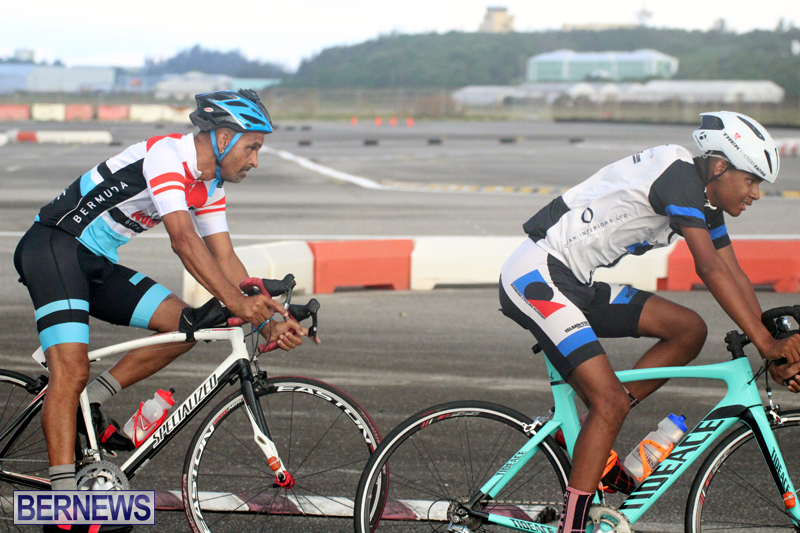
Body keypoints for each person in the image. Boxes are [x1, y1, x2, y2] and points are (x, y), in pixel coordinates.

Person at [14, 89, 312, 532]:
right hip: (53, 249)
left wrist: (270, 318)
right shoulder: (166, 157)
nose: (254, 160)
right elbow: (183, 240)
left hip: (96, 263)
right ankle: (63, 509)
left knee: (188, 325)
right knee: (70, 370)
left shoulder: (208, 185)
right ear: (224, 137)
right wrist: (238, 304)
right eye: (251, 147)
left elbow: (226, 259)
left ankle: (91, 401)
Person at [498, 111, 800, 533]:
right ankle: (573, 524)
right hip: (537, 276)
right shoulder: (677, 175)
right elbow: (710, 268)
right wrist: (766, 346)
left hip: (575, 283)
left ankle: (596, 430)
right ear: (719, 166)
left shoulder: (703, 199)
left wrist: (774, 345)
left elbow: (735, 274)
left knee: (688, 330)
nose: (756, 193)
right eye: (751, 180)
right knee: (610, 403)